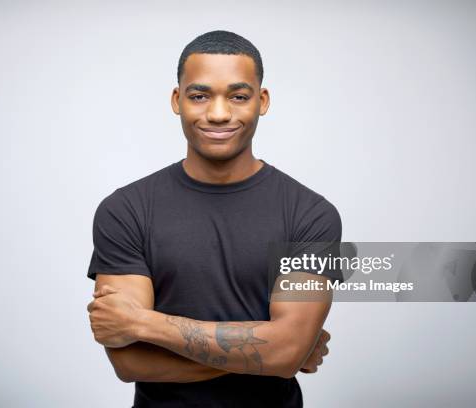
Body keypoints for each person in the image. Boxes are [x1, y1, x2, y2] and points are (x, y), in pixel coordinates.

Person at [86, 30, 341, 408]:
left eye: (238, 96)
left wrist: (144, 324)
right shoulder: (125, 210)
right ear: (177, 100)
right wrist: (269, 352)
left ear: (262, 100)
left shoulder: (310, 215)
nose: (219, 113)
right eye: (200, 95)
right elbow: (130, 361)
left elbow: (286, 352)